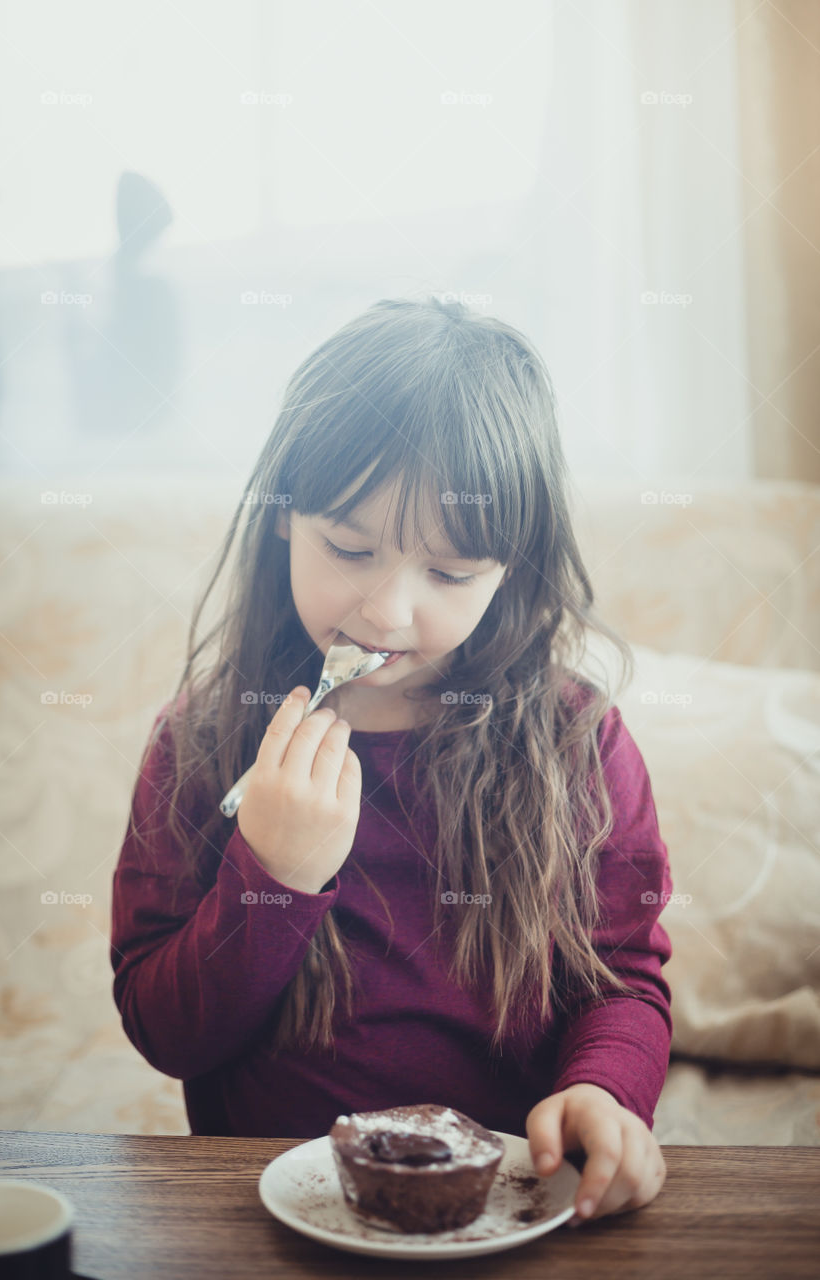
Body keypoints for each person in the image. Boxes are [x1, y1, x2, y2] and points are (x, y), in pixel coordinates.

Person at [111, 295, 672, 1228]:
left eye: (449, 575)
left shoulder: (576, 741)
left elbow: (622, 980)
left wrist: (604, 1093)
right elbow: (168, 1033)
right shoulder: (202, 740)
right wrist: (275, 877)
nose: (386, 613)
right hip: (267, 1214)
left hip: (510, 1210)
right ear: (283, 515)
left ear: (513, 569)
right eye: (350, 547)